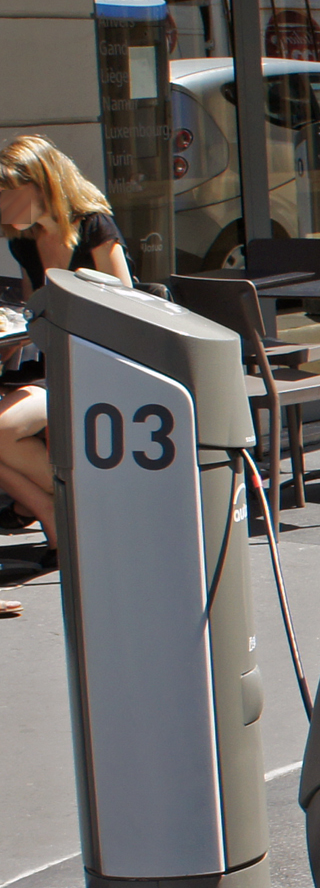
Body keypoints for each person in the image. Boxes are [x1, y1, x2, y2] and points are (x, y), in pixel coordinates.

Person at [0, 134, 132, 596]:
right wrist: (8, 343)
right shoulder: (26, 244)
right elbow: (30, 316)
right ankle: (60, 521)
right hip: (56, 369)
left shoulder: (95, 226)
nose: (1, 206)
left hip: (102, 369)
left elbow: (129, 308)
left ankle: (65, 519)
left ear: (41, 185)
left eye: (7, 193)